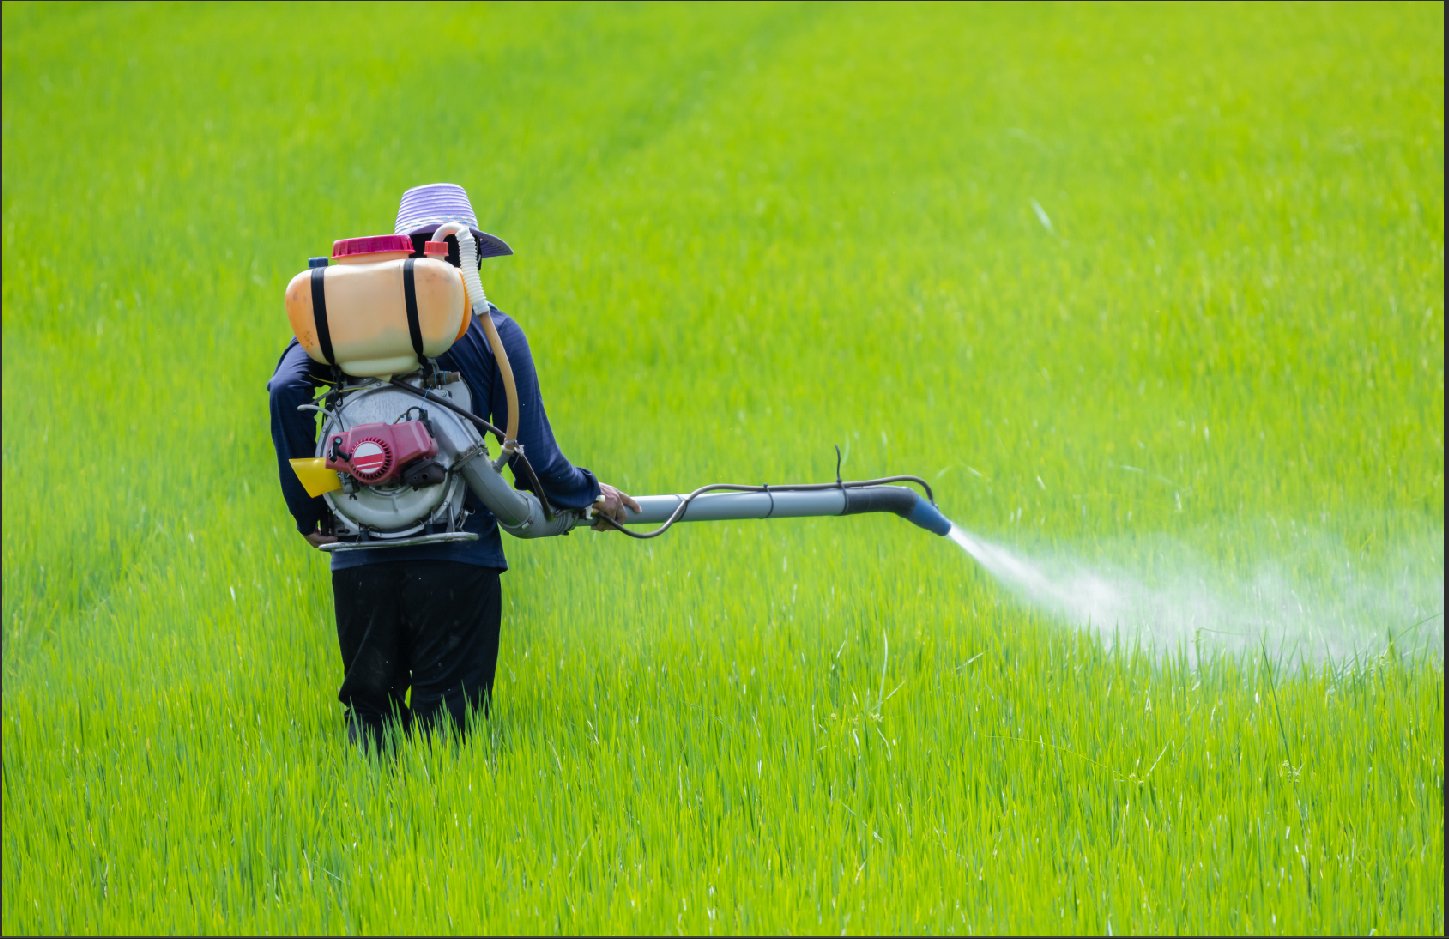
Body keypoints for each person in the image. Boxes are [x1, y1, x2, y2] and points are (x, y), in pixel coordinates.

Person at [268, 182, 638, 751]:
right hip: (457, 555)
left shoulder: (341, 325)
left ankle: (368, 833)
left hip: (361, 556)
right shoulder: (490, 329)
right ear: (469, 256)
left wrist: (309, 509)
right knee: (449, 741)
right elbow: (535, 461)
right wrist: (586, 494)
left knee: (372, 732)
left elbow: (284, 388)